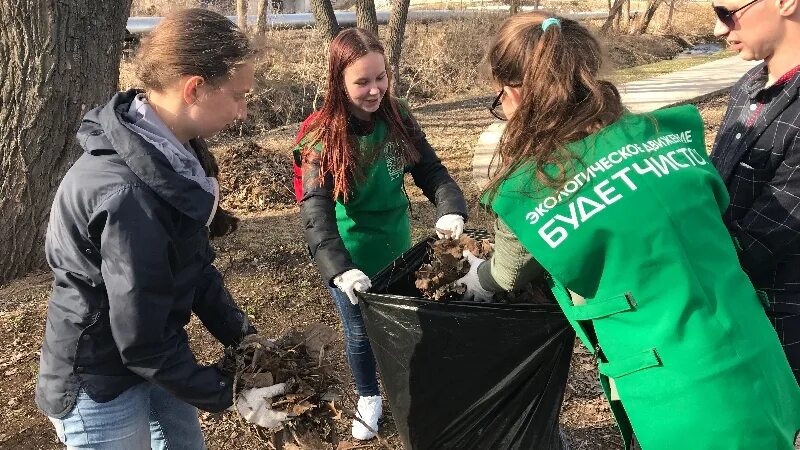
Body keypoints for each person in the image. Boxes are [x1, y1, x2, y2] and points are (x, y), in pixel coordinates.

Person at [457, 13, 800, 449]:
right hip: (755, 357)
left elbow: (507, 272)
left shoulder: (530, 186)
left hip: (675, 393)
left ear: (515, 92)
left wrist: (475, 278)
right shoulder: (668, 134)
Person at [35, 9, 287, 449]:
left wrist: (243, 338)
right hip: (101, 380)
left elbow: (194, 266)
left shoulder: (171, 158)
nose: (244, 112)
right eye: (238, 95)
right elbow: (139, 340)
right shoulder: (128, 193)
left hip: (157, 357)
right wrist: (229, 393)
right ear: (194, 88)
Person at [294, 28, 468, 440]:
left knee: (405, 325)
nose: (375, 90)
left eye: (381, 77)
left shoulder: (398, 115)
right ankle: (368, 397)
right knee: (358, 330)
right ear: (338, 81)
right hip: (350, 254)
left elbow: (432, 171)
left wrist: (450, 209)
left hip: (397, 244)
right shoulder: (320, 136)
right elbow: (315, 211)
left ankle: (411, 392)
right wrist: (339, 269)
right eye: (362, 81)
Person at [710, 0, 800, 383]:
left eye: (725, 11)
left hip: (785, 322)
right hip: (738, 307)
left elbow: (771, 230)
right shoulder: (747, 87)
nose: (718, 29)